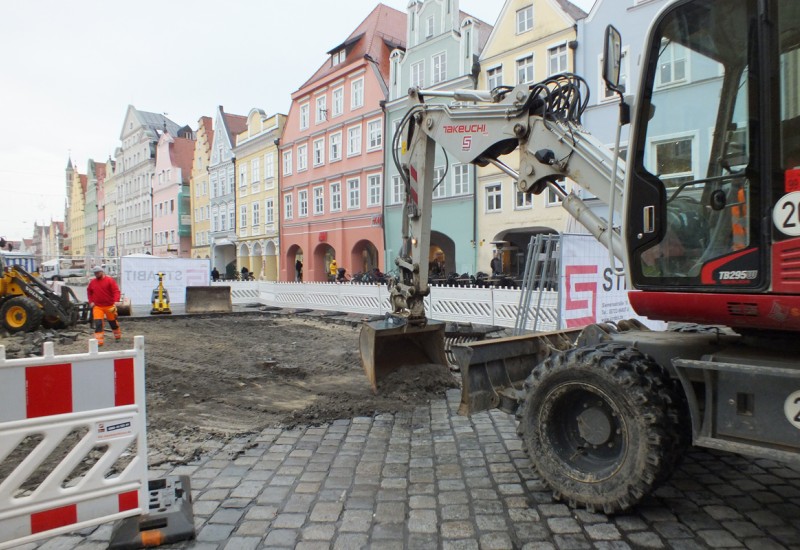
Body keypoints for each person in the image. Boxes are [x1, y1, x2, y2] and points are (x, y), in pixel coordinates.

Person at [86, 265, 121, 346]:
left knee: (113, 322)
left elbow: (116, 291)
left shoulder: (110, 280)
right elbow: (89, 292)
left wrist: (116, 301)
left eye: (98, 273)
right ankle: (99, 341)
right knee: (98, 323)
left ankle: (117, 336)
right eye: (95, 273)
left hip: (110, 306)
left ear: (102, 272)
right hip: (98, 307)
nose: (96, 274)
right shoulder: (92, 282)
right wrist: (91, 301)